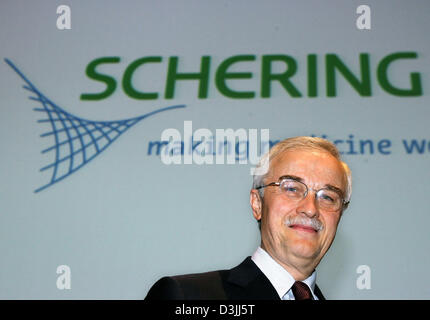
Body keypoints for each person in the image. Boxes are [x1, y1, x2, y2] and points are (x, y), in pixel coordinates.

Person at [145, 136, 352, 300]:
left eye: (328, 196)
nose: (310, 209)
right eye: (292, 188)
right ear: (257, 204)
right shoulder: (185, 296)